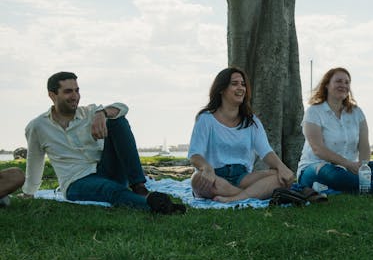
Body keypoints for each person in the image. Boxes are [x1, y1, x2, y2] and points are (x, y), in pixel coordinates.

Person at [22, 71, 185, 215]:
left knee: (117, 121)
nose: (75, 96)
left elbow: (122, 107)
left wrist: (102, 113)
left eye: (77, 90)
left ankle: (139, 187)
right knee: (110, 190)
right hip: (76, 181)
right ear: (52, 95)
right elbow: (34, 161)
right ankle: (155, 206)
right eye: (68, 91)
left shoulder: (89, 112)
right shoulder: (38, 126)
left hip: (107, 169)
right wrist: (29, 193)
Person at [188, 67, 295, 202]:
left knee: (280, 177)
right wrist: (207, 168)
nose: (241, 88)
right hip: (214, 176)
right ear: (221, 89)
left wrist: (282, 167)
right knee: (197, 180)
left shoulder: (252, 122)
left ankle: (235, 197)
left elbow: (266, 152)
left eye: (243, 84)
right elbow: (194, 154)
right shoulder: (206, 118)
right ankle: (255, 193)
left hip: (242, 177)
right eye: (234, 84)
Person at [297, 67, 373, 195]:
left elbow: (364, 145)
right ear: (327, 85)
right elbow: (318, 149)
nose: (343, 85)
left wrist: (363, 167)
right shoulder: (314, 112)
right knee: (332, 174)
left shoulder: (357, 113)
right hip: (316, 167)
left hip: (348, 169)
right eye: (339, 81)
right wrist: (348, 164)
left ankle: (334, 186)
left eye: (347, 82)